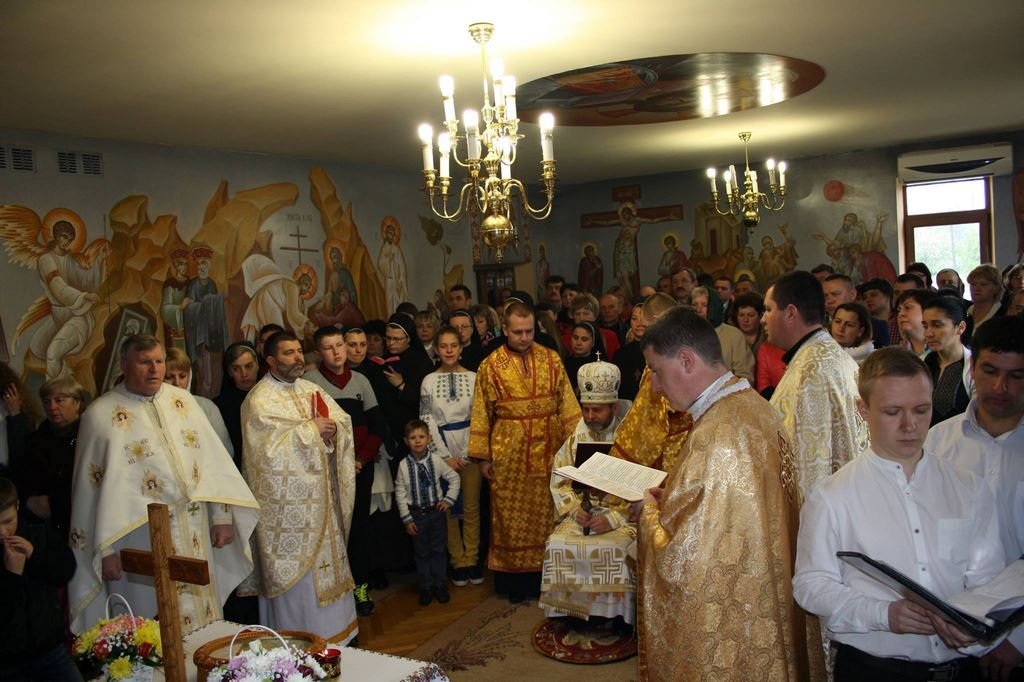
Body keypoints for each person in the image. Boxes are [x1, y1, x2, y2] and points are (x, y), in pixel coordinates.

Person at [634, 307, 822, 681]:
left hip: (738, 626)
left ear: (686, 360)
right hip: (767, 597)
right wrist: (673, 499)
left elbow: (684, 559)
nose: (654, 385)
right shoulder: (754, 408)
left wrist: (648, 513)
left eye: (656, 370)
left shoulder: (716, 436)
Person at [794, 347, 1005, 680]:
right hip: (875, 670)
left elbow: (989, 579)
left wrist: (976, 623)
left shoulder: (968, 487)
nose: (910, 425)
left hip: (961, 670)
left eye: (921, 410)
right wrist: (883, 614)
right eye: (892, 412)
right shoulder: (832, 496)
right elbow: (812, 584)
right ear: (863, 410)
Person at [69, 335, 259, 635]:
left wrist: (222, 517)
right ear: (124, 365)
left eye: (158, 361)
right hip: (136, 534)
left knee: (202, 608)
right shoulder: (100, 415)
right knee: (148, 617)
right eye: (144, 362)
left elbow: (211, 462)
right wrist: (104, 552)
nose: (154, 369)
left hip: (193, 526)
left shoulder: (183, 402)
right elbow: (90, 492)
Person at [240, 330, 359, 642]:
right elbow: (264, 457)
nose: (297, 358)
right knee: (300, 588)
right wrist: (310, 432)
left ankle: (342, 638)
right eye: (288, 353)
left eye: (298, 351)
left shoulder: (310, 389)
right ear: (270, 360)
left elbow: (341, 422)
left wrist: (333, 432)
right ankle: (301, 641)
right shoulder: (259, 400)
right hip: (289, 519)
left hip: (324, 505)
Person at [927, 316, 1024, 679]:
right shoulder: (937, 442)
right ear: (971, 366)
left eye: (1017, 375)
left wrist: (1018, 639)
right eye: (990, 370)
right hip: (952, 632)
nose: (1001, 386)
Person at [468, 301, 581, 603]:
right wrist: (483, 457)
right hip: (509, 455)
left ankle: (549, 578)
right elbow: (481, 412)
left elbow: (567, 405)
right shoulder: (490, 365)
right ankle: (515, 584)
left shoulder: (551, 358)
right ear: (505, 330)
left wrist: (576, 447)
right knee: (511, 518)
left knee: (549, 515)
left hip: (550, 451)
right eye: (518, 332)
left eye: (529, 331)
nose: (524, 337)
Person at [540, 359, 635, 627]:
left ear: (613, 407)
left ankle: (614, 617)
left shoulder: (629, 439)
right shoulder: (576, 438)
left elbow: (640, 486)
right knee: (557, 544)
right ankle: (570, 615)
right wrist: (574, 509)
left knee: (617, 548)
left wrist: (614, 519)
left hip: (618, 517)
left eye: (597, 410)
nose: (590, 416)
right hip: (582, 515)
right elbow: (559, 479)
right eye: (586, 409)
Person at [305, 326, 388, 617]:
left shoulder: (361, 381)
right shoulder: (309, 384)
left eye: (339, 345)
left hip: (359, 468)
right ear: (319, 352)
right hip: (328, 471)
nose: (337, 352)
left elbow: (377, 427)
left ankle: (360, 586)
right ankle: (335, 588)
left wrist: (360, 460)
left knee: (360, 529)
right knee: (333, 530)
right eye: (329, 347)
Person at [764, 271, 868, 498]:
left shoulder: (811, 370)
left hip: (825, 508)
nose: (764, 319)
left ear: (790, 313)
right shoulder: (825, 354)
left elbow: (808, 467)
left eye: (768, 309)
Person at [0, 477, 83, 682]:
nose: (3, 532)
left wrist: (34, 555)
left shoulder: (36, 532)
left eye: (8, 521)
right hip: (7, 663)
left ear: (18, 506)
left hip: (50, 651)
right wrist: (12, 575)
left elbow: (66, 570)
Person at [419, 326, 481, 587]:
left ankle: (472, 558)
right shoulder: (428, 381)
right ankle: (458, 560)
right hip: (441, 451)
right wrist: (444, 456)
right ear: (436, 349)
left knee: (471, 507)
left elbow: (479, 416)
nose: (448, 350)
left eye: (453, 345)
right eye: (443, 346)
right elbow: (427, 418)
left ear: (461, 347)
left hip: (470, 450)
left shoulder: (474, 378)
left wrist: (466, 453)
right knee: (447, 507)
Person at [395, 419, 461, 606]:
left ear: (429, 439)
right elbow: (400, 493)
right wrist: (407, 519)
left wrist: (448, 500)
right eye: (413, 437)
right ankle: (425, 587)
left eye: (421, 437)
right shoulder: (403, 465)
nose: (417, 441)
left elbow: (454, 478)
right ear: (406, 441)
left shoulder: (436, 460)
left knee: (438, 550)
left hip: (436, 514)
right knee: (421, 553)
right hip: (416, 516)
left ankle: (440, 585)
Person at [13, 377, 88, 540]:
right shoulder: (35, 439)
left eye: (59, 401)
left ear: (76, 403)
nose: (52, 407)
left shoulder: (89, 438)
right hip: (37, 526)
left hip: (75, 521)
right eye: (47, 402)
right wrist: (28, 500)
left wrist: (54, 504)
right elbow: (19, 474)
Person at [163, 347, 233, 454]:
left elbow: (225, 450)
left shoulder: (206, 407)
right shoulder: (156, 410)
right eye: (169, 377)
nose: (177, 383)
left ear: (190, 376)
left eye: (182, 376)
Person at [922, 296, 973, 426]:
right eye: (925, 326)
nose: (928, 333)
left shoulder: (974, 367)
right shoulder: (923, 364)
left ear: (961, 327)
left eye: (937, 325)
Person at [690, 286, 755, 382]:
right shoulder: (684, 335)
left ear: (713, 307)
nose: (698, 310)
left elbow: (744, 375)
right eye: (694, 305)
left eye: (704, 305)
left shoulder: (734, 335)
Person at [213, 342, 259, 469]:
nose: (244, 374)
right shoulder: (219, 405)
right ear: (229, 372)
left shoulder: (272, 397)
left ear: (257, 365)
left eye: (248, 366)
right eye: (236, 369)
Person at [825, 274, 889, 348]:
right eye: (825, 296)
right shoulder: (818, 327)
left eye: (835, 294)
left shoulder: (877, 327)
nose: (829, 301)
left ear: (852, 294)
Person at [564, 322, 606, 395]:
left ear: (593, 342)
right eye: (575, 338)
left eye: (584, 339)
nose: (578, 343)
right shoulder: (564, 363)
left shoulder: (599, 366)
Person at [896, 289, 936, 359]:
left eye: (908, 308)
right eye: (899, 310)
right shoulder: (897, 354)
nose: (900, 314)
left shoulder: (942, 351)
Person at [967, 264, 1005, 331]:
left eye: (983, 284)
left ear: (996, 288)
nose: (976, 288)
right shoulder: (966, 311)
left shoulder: (1003, 314)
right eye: (973, 284)